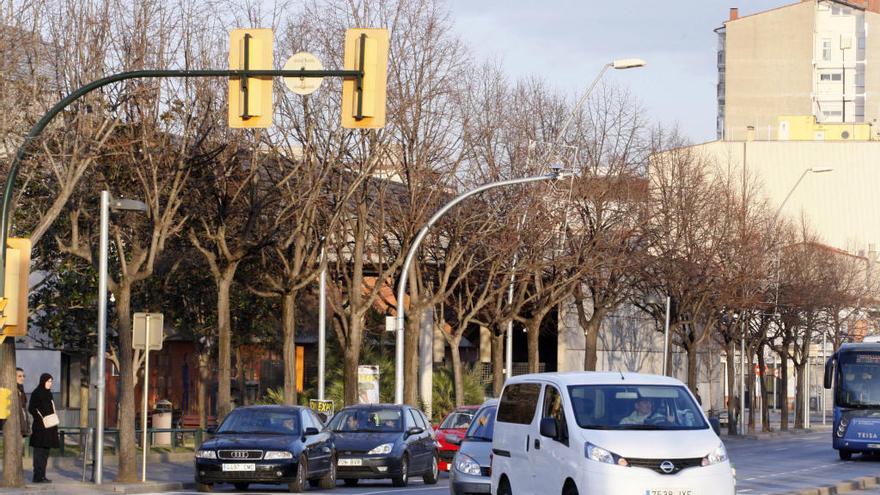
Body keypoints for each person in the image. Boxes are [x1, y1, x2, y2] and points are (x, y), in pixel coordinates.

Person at [28, 373, 58, 483]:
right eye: (49, 381)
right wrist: (40, 419)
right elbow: (31, 408)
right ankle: (37, 476)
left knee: (45, 453)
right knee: (39, 453)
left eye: (51, 381)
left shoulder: (49, 394)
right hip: (40, 428)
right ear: (43, 381)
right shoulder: (37, 393)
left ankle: (43, 475)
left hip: (49, 428)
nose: (50, 383)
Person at [16, 368, 30, 439]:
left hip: (22, 425)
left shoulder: (21, 389)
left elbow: (24, 409)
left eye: (23, 376)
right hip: (15, 425)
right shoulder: (13, 389)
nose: (22, 378)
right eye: (20, 376)